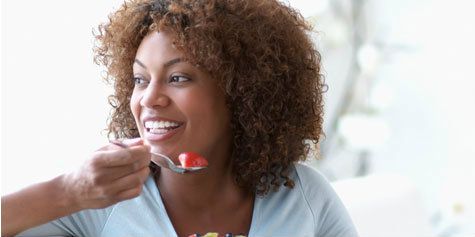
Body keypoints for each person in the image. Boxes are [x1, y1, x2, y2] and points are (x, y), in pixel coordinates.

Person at [1, 0, 358, 236]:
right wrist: (65, 191)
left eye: (178, 78)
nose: (149, 99)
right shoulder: (101, 201)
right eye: (140, 79)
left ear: (241, 92)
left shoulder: (303, 196)